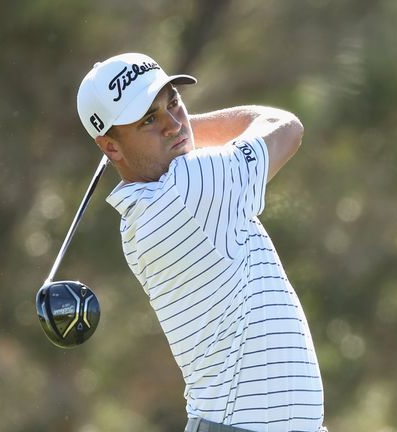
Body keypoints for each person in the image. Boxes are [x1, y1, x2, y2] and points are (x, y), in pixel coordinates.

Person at [76, 53, 326, 432]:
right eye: (149, 119)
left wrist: (165, 131)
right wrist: (186, 129)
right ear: (111, 147)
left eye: (173, 101)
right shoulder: (190, 188)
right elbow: (284, 126)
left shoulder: (143, 211)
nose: (173, 123)